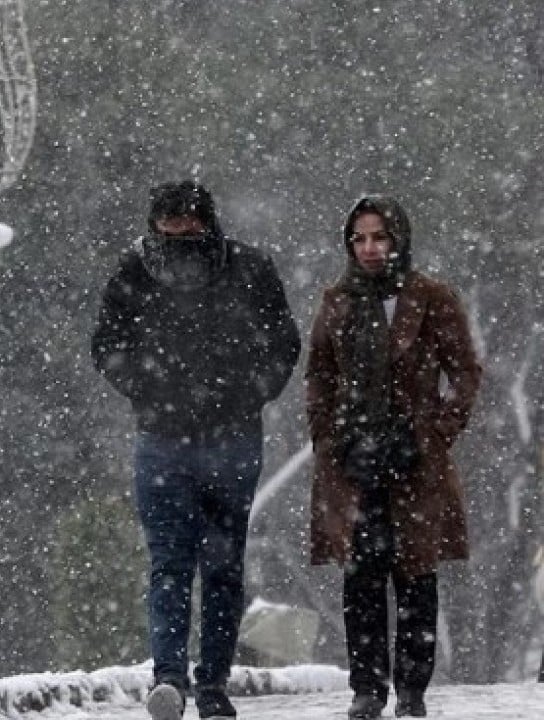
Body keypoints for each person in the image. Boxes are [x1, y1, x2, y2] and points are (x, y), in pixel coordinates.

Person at [92, 180, 301, 720]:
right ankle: (174, 677)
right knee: (177, 563)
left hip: (225, 439)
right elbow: (107, 345)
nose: (178, 240)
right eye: (170, 229)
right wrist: (150, 389)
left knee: (216, 566)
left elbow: (283, 344)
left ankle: (208, 681)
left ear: (206, 224)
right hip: (167, 439)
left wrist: (245, 393)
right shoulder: (136, 271)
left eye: (187, 228)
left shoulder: (249, 270)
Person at [306, 196, 481, 719]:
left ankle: (411, 691)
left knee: (415, 577)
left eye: (379, 237)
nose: (369, 248)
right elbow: (320, 376)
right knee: (360, 579)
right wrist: (330, 439)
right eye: (359, 238)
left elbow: (465, 373)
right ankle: (367, 688)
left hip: (414, 463)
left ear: (398, 239)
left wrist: (435, 434)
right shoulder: (338, 300)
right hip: (354, 463)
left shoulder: (431, 297)